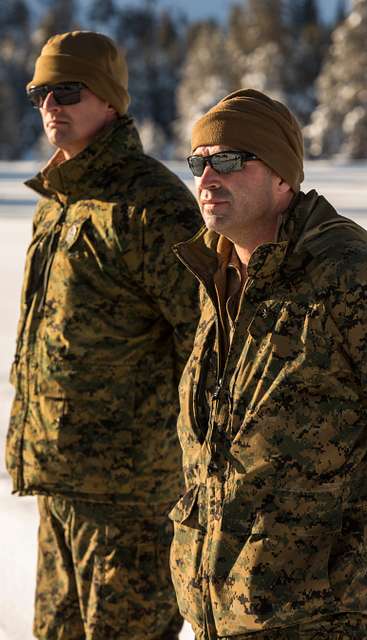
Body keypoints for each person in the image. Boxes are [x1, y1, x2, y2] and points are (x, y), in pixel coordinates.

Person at [168, 89, 367, 640]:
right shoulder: (218, 285)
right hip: (218, 614)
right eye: (198, 162)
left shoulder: (352, 279)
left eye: (231, 160)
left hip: (314, 621)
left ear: (283, 178)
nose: (208, 177)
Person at [5, 31, 201, 640]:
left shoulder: (151, 204)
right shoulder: (59, 202)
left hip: (131, 498)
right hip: (59, 480)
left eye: (68, 90)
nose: (50, 106)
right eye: (40, 92)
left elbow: (206, 341)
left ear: (111, 101)